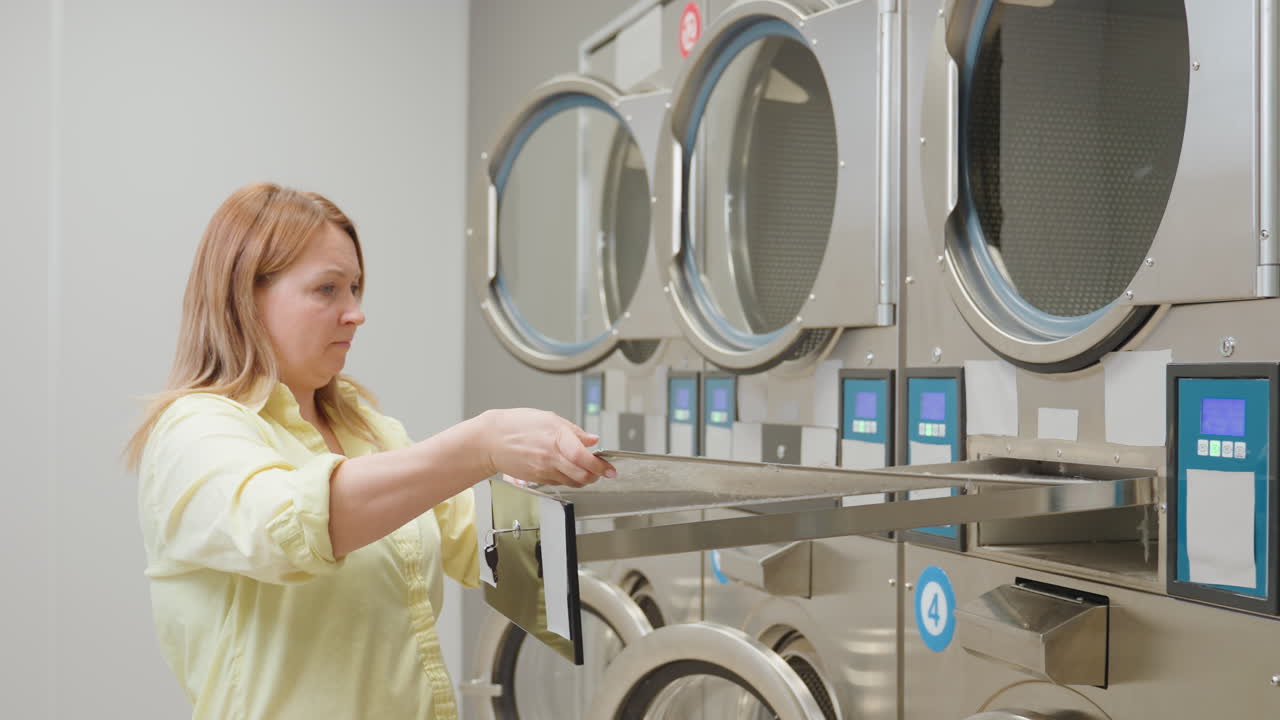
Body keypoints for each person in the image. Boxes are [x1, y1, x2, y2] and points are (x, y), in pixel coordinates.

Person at [126, 182, 614, 719]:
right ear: (245, 295)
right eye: (327, 289)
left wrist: (573, 481)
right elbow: (292, 528)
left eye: (355, 288)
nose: (355, 312)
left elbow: (496, 556)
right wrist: (484, 443)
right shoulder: (194, 431)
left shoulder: (365, 429)